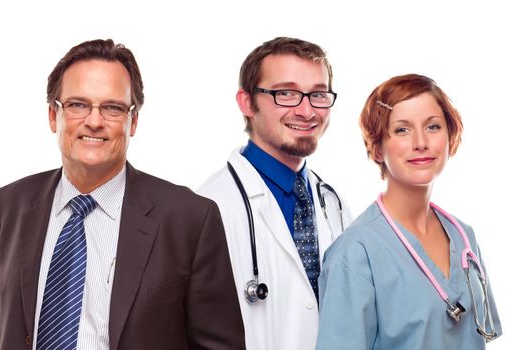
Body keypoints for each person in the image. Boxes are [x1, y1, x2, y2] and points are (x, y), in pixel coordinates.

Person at [0, 38, 245, 350]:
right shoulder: (10, 205)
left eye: (113, 108)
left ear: (133, 121)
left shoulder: (191, 220)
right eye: (77, 104)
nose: (94, 121)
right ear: (53, 116)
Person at [316, 74, 502, 349]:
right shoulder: (355, 253)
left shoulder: (464, 236)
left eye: (433, 126)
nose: (421, 142)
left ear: (450, 136)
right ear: (377, 147)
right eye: (402, 130)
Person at [196, 37, 353, 349]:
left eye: (318, 95)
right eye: (287, 93)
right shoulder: (207, 208)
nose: (307, 111)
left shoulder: (332, 203)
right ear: (246, 102)